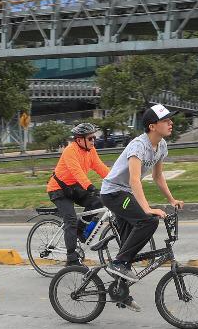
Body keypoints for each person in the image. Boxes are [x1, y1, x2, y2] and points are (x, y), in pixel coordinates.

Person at [98, 104, 185, 312]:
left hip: (125, 193)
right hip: (113, 193)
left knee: (129, 244)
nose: (171, 123)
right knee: (148, 221)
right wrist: (147, 209)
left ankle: (120, 292)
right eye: (166, 121)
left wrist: (172, 200)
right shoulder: (138, 146)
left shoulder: (161, 145)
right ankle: (118, 263)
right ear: (152, 126)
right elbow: (135, 180)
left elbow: (157, 176)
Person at [48, 122, 110, 265]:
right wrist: (90, 187)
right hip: (58, 190)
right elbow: (77, 172)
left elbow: (100, 167)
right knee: (70, 220)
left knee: (98, 201)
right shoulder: (70, 151)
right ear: (79, 139)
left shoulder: (90, 151)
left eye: (94, 137)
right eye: (90, 138)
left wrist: (117, 180)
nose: (93, 141)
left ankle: (80, 231)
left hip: (73, 187)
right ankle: (71, 258)